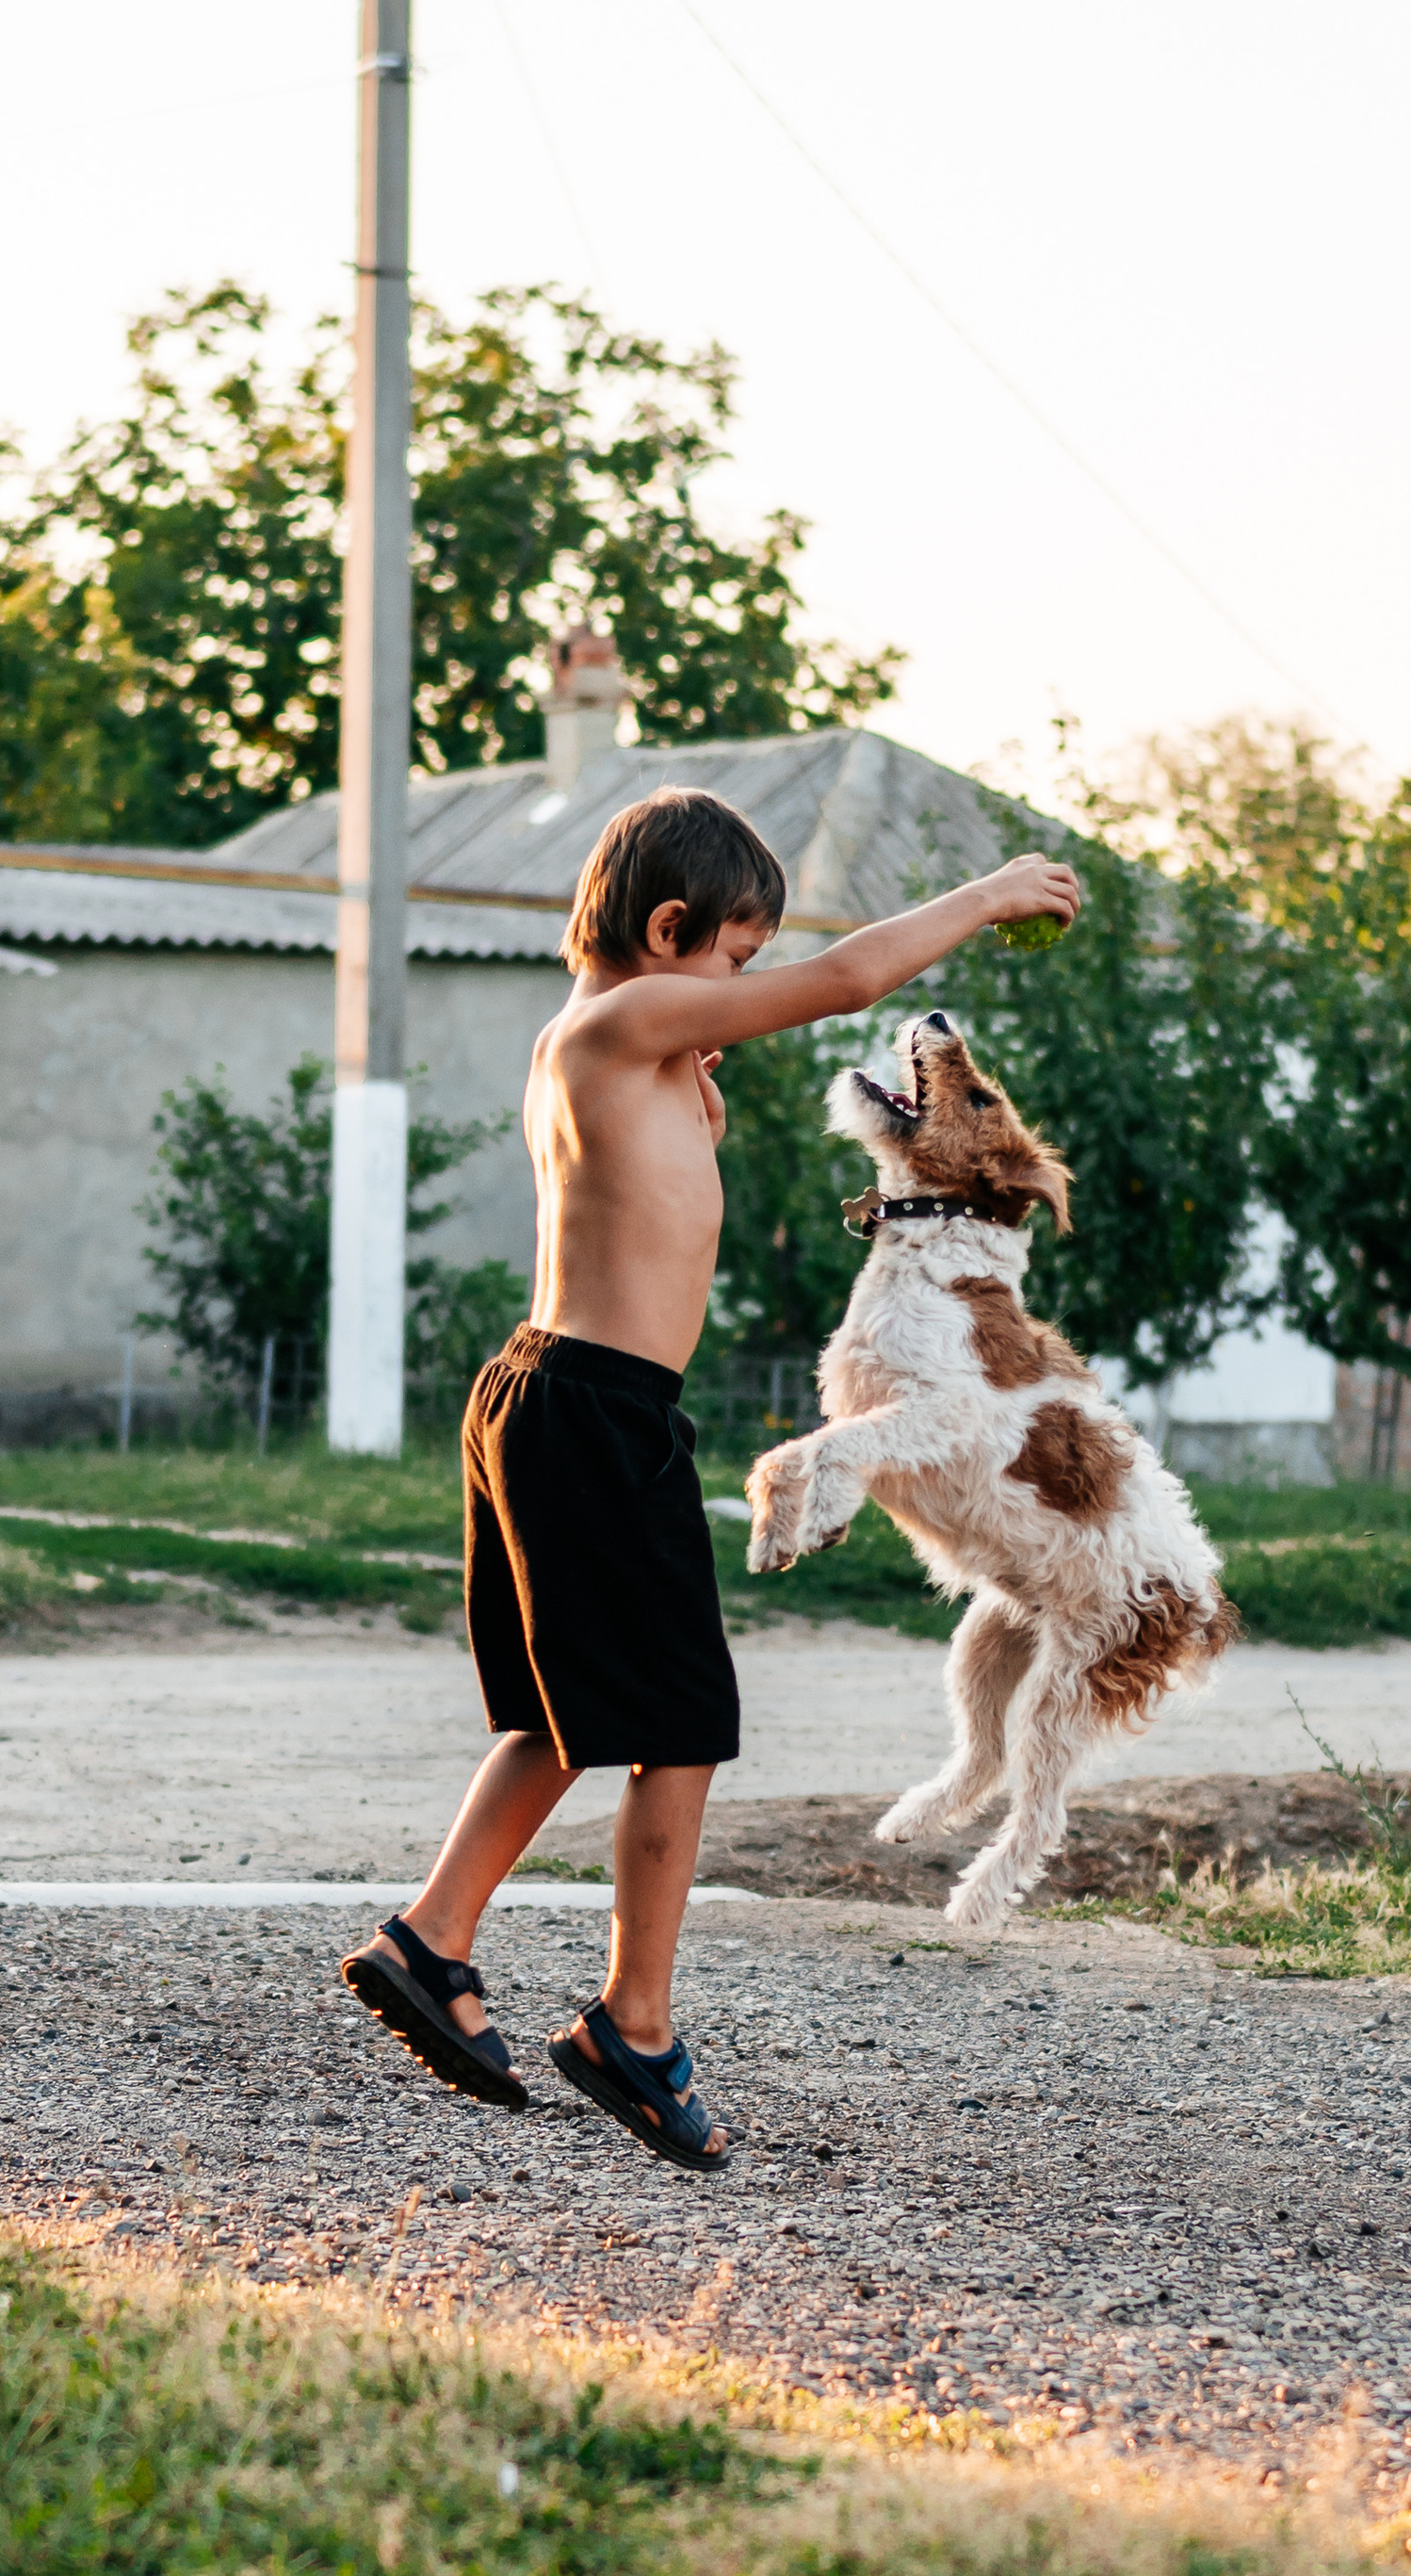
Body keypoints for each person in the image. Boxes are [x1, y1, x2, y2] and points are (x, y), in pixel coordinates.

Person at [341, 783, 1080, 2173]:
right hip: (593, 1406)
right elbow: (852, 977)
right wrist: (986, 898)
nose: (743, 987)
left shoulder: (610, 1042)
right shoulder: (622, 1019)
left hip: (567, 1396)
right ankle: (634, 2027)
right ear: (668, 927)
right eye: (734, 959)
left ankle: (432, 1943)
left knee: (576, 1712)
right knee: (681, 1719)